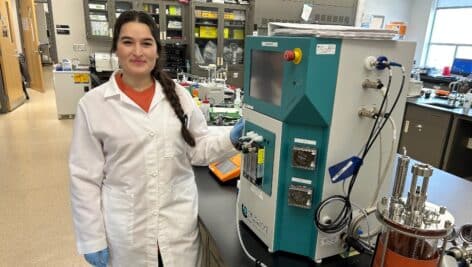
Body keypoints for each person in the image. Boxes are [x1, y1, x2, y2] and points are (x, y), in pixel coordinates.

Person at [69, 10, 244, 267]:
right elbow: (84, 179)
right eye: (128, 42)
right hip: (128, 235)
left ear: (157, 50)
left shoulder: (179, 96)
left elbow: (198, 149)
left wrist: (231, 138)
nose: (138, 51)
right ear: (116, 48)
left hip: (178, 229)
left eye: (146, 43)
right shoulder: (93, 105)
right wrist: (91, 238)